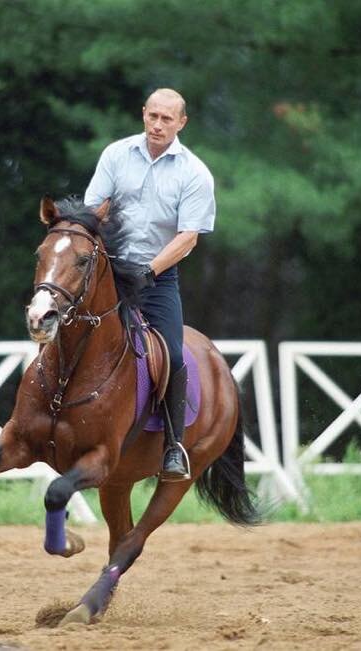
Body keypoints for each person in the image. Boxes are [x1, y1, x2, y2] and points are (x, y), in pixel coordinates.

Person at [84, 88, 216, 482]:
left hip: (157, 278)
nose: (158, 125)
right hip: (108, 269)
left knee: (173, 356)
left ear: (182, 123)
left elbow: (187, 237)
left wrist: (149, 272)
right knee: (65, 327)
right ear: (143, 114)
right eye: (153, 116)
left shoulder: (195, 173)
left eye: (167, 119)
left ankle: (174, 447)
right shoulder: (115, 154)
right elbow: (95, 209)